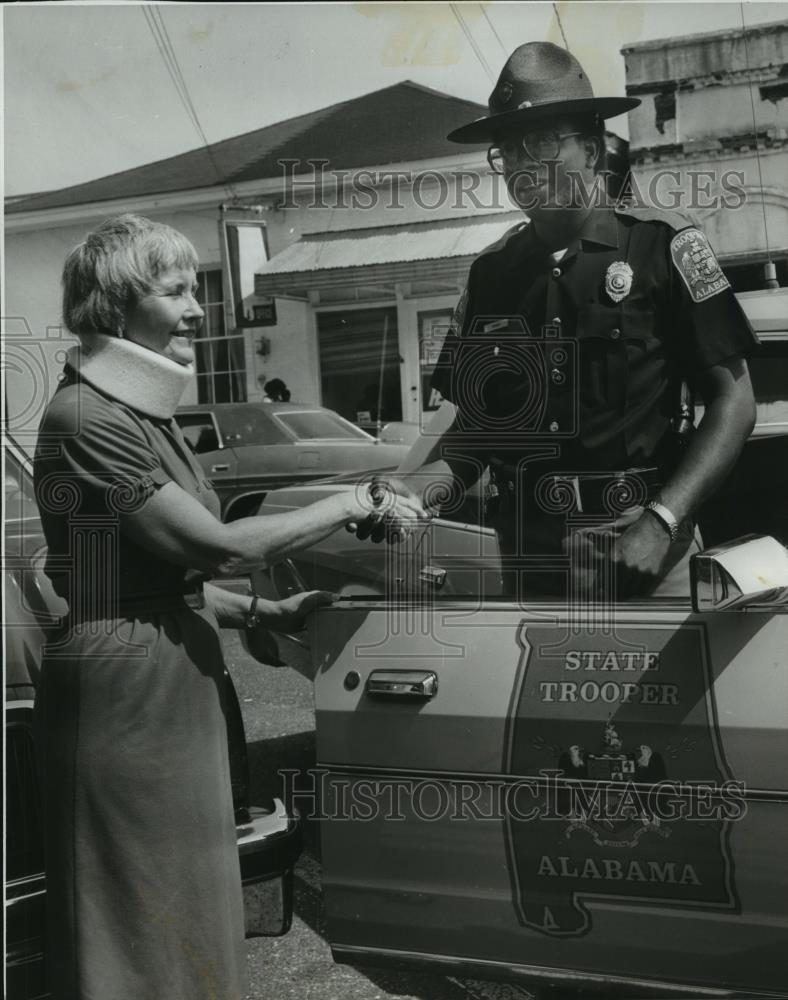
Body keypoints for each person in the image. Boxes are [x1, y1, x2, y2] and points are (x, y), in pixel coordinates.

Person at [32, 214, 427, 1000]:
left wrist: (261, 616)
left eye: (193, 289)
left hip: (167, 671)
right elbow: (218, 547)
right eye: (175, 291)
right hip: (129, 694)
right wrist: (355, 498)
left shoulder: (133, 414)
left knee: (187, 911)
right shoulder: (88, 419)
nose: (197, 309)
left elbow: (137, 575)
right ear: (115, 307)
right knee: (140, 919)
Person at [406, 41, 758, 600]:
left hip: (645, 555)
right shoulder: (492, 277)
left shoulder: (662, 245)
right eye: (507, 150)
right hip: (530, 560)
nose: (522, 162)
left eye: (543, 141)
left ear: (592, 151)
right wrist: (407, 495)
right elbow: (474, 432)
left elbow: (734, 402)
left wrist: (662, 520)